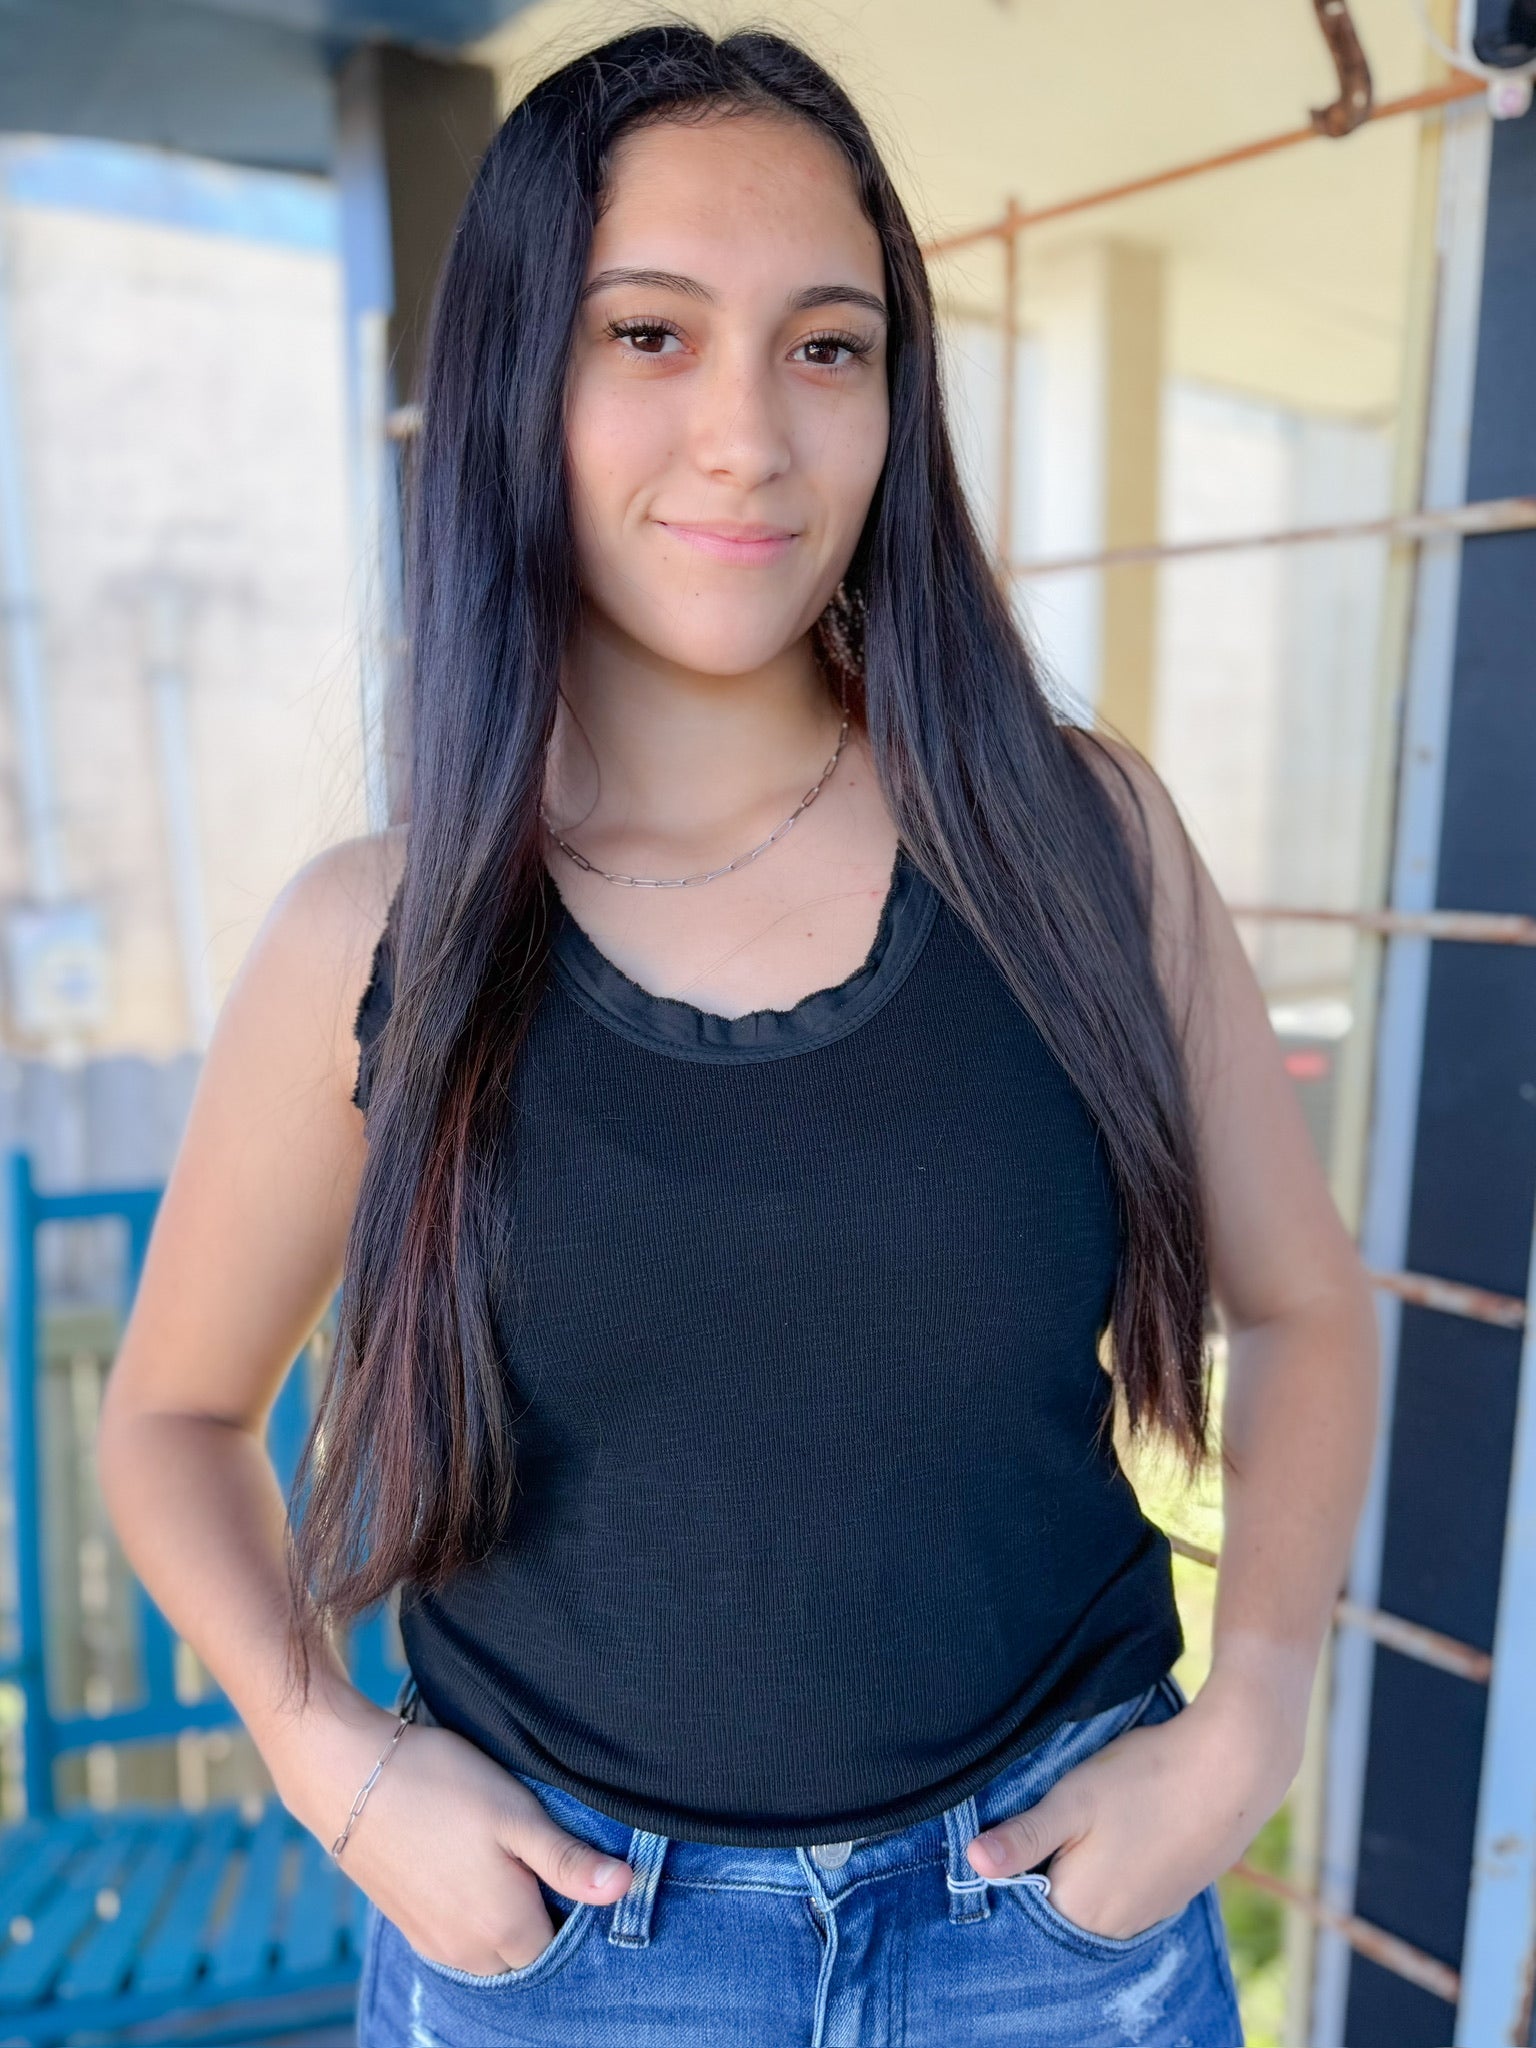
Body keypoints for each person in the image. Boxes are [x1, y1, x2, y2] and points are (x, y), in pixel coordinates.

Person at [98, 22, 1380, 2048]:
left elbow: (1306, 1308)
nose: (749, 437)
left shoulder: (1075, 844)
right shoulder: (386, 932)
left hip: (1043, 1939)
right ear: (529, 374)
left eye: (828, 346)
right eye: (651, 335)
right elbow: (166, 1423)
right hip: (569, 1956)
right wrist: (334, 1766)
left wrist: (1258, 1721)